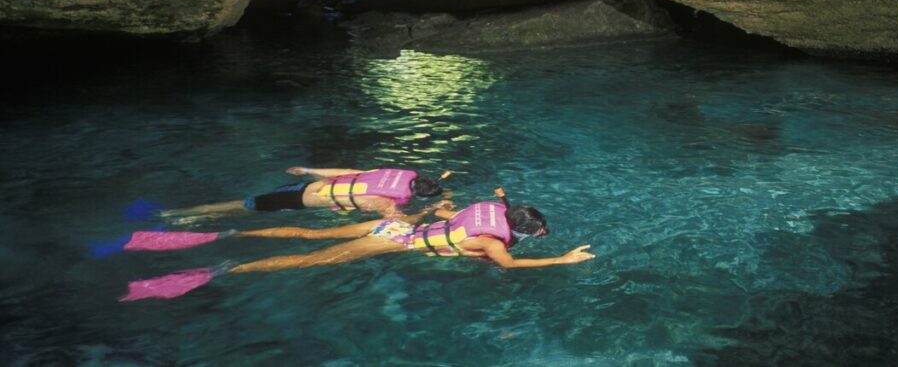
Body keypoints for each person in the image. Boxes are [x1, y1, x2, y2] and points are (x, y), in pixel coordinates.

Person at [119, 192, 596, 301]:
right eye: (537, 235)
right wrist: (564, 259)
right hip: (393, 245)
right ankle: (222, 269)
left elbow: (455, 220)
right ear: (520, 229)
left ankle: (232, 233)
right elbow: (510, 266)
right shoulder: (495, 242)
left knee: (309, 236)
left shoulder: (485, 212)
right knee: (307, 262)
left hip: (391, 229)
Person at [161, 166, 450, 220]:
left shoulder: (385, 176)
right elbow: (395, 222)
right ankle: (178, 214)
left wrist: (308, 169)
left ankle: (192, 216)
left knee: (247, 203)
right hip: (295, 201)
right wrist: (429, 213)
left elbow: (346, 170)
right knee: (241, 207)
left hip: (299, 187)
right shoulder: (383, 201)